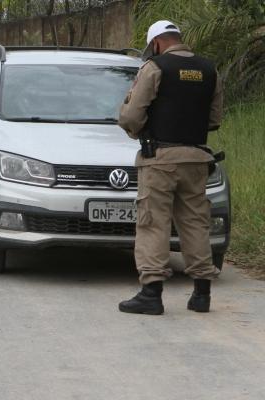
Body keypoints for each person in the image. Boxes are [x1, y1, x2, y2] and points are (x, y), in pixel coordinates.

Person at [118, 20, 223, 315]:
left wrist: (138, 129)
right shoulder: (209, 70)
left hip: (160, 160)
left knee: (153, 223)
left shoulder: (155, 68)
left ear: (156, 43)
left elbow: (131, 116)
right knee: (195, 223)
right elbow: (214, 119)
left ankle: (151, 294)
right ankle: (202, 294)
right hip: (197, 159)